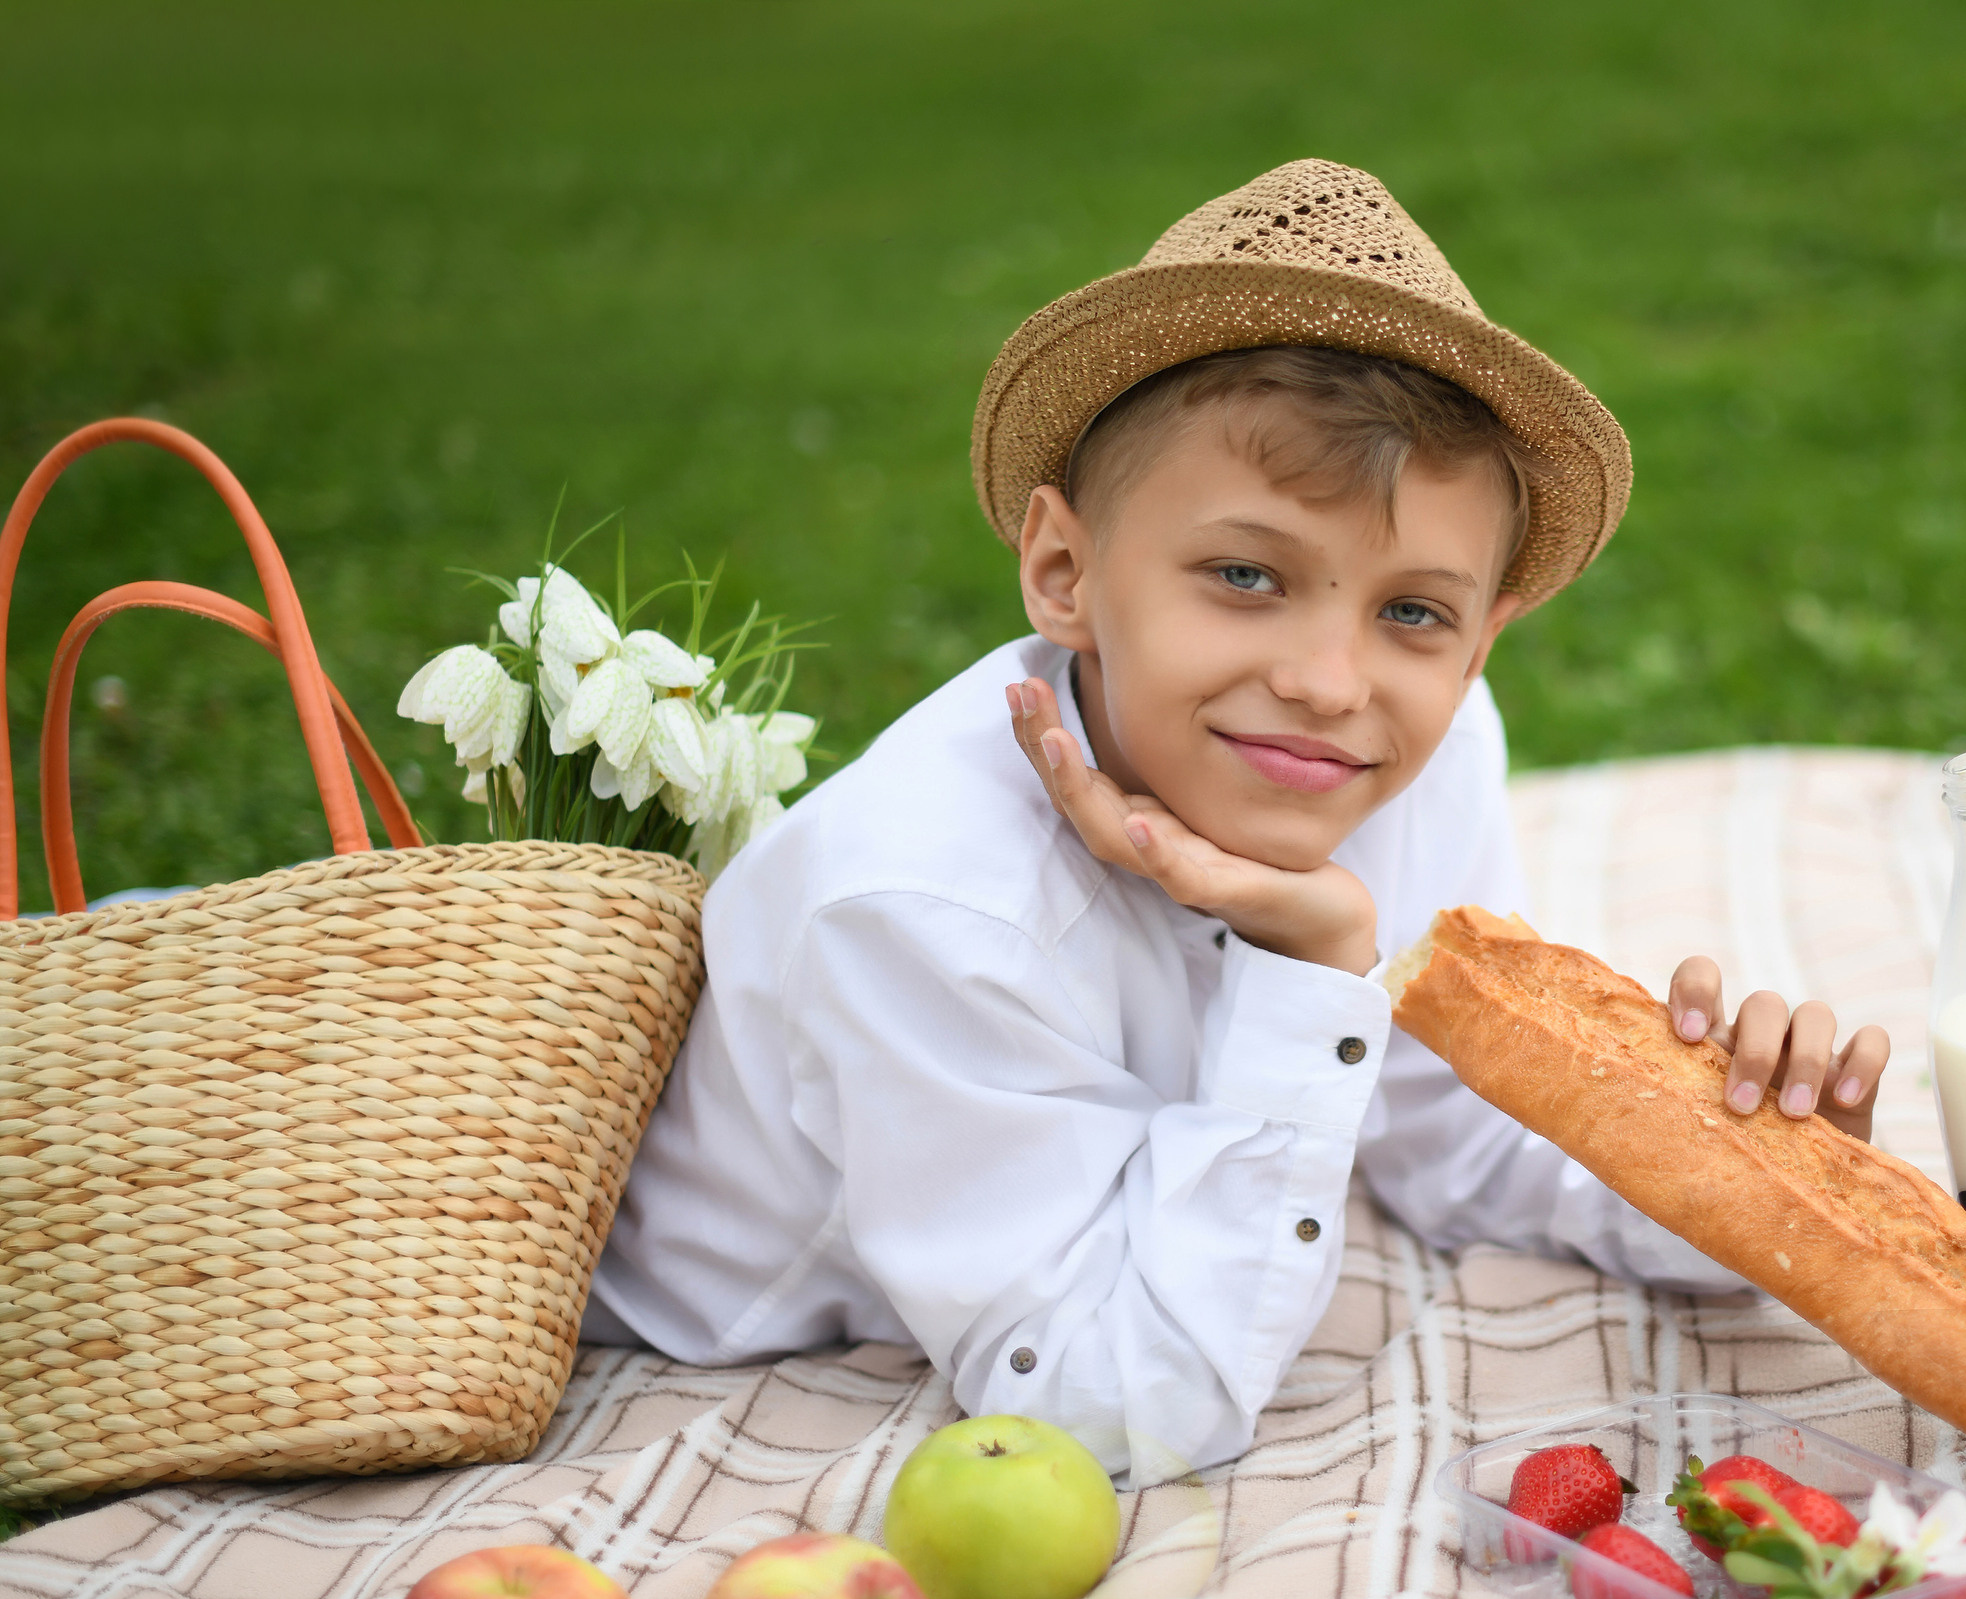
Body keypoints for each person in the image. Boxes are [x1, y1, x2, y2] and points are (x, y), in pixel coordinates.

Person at [585, 160, 1888, 1481]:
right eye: (1246, 575)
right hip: (731, 1335)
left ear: (1485, 642)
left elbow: (1447, 1144)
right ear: (1064, 571)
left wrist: (1744, 1179)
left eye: (1413, 614)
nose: (1330, 685)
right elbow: (1099, 1416)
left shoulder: (1421, 762)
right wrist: (1313, 971)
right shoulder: (924, 900)